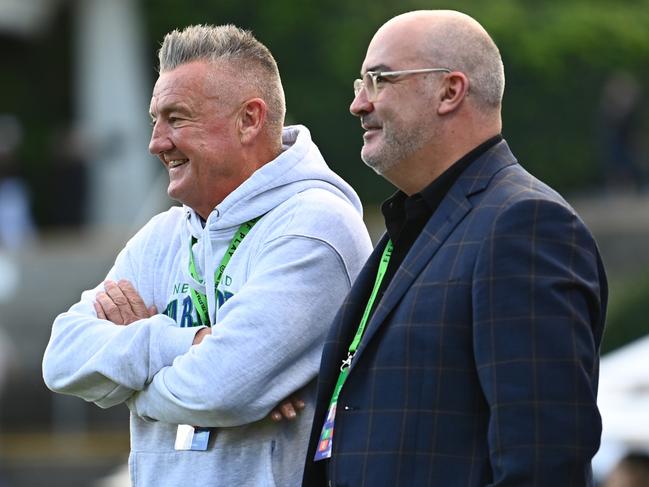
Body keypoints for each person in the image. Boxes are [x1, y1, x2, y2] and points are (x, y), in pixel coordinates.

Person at [42, 24, 372, 487]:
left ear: (250, 120)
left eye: (177, 119)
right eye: (155, 120)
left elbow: (222, 389)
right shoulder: (162, 234)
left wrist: (132, 384)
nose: (156, 142)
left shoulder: (316, 226)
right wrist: (186, 344)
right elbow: (61, 359)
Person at [302, 10, 608, 487]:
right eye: (360, 83)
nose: (358, 104)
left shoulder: (524, 226)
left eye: (379, 80)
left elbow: (545, 462)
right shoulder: (412, 226)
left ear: (450, 91)